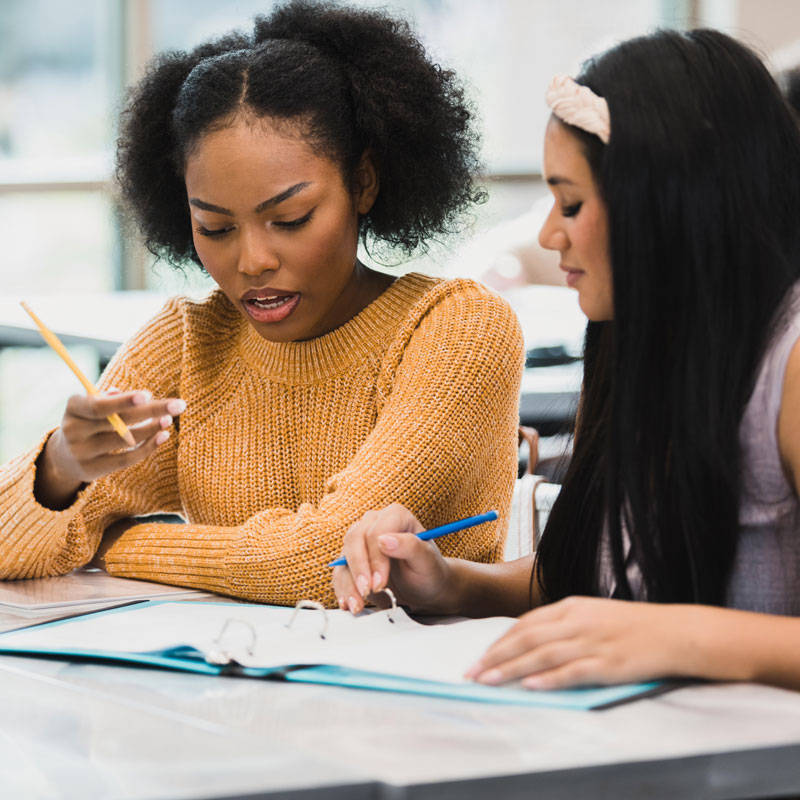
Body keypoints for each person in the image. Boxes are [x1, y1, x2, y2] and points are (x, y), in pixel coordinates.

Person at [0, 0, 524, 607]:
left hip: (419, 691)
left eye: (290, 218)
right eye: (216, 229)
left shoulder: (457, 330)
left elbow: (322, 565)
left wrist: (114, 544)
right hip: (226, 688)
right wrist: (62, 468)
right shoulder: (192, 343)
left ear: (364, 183)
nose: (252, 261)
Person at [333, 27, 800, 692]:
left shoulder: (790, 358)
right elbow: (602, 578)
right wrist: (446, 582)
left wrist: (672, 634)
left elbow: (640, 620)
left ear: (670, 202)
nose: (550, 234)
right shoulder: (639, 344)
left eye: (572, 204)